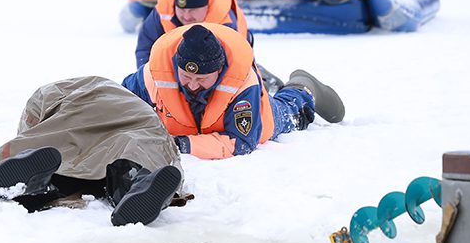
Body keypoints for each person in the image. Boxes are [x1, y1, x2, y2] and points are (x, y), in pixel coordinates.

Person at [0, 75, 185, 226]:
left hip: (70, 109)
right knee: (133, 152)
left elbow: (29, 130)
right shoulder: (127, 97)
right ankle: (135, 183)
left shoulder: (48, 94)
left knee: (63, 158)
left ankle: (35, 186)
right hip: (131, 115)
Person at [121, 23, 345, 159]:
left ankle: (303, 86)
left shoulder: (242, 84)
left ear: (218, 72)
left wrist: (184, 145)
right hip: (190, 126)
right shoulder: (153, 74)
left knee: (293, 112)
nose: (192, 85)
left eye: (201, 79)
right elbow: (117, 99)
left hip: (261, 123)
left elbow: (241, 143)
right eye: (186, 76)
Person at [134, 0, 251, 68]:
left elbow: (234, 65)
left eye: (193, 10)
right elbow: (145, 49)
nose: (186, 16)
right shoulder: (162, 13)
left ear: (207, 7)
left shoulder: (226, 24)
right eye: (182, 9)